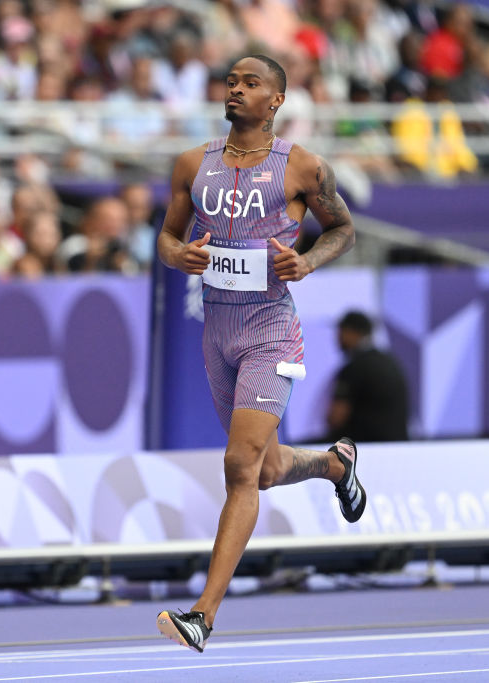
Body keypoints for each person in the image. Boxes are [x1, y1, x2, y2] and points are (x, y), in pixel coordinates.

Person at [154, 54, 364, 653]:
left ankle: (203, 614)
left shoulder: (301, 167)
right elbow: (166, 239)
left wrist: (307, 262)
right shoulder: (193, 164)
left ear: (276, 100)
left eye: (251, 84)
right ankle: (336, 465)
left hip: (271, 329)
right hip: (216, 330)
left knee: (239, 468)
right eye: (231, 82)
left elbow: (344, 230)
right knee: (266, 470)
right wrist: (179, 256)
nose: (237, 90)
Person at [327, 311, 409, 442]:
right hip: (397, 444)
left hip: (363, 446)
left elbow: (336, 418)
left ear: (353, 333)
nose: (338, 337)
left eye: (341, 331)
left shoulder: (354, 368)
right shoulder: (390, 361)